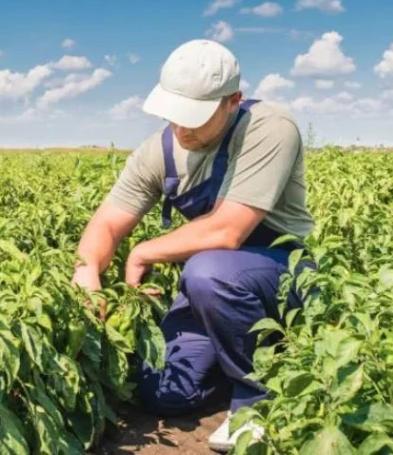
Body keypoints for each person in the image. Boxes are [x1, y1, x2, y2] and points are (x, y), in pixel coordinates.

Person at [71, 39, 316, 451]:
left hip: (281, 272)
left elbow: (228, 231)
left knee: (207, 271)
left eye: (196, 119)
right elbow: (107, 224)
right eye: (175, 116)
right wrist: (87, 270)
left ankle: (257, 401)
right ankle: (262, 358)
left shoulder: (270, 127)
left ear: (232, 101)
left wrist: (142, 252)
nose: (182, 129)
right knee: (162, 390)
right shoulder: (160, 152)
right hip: (214, 289)